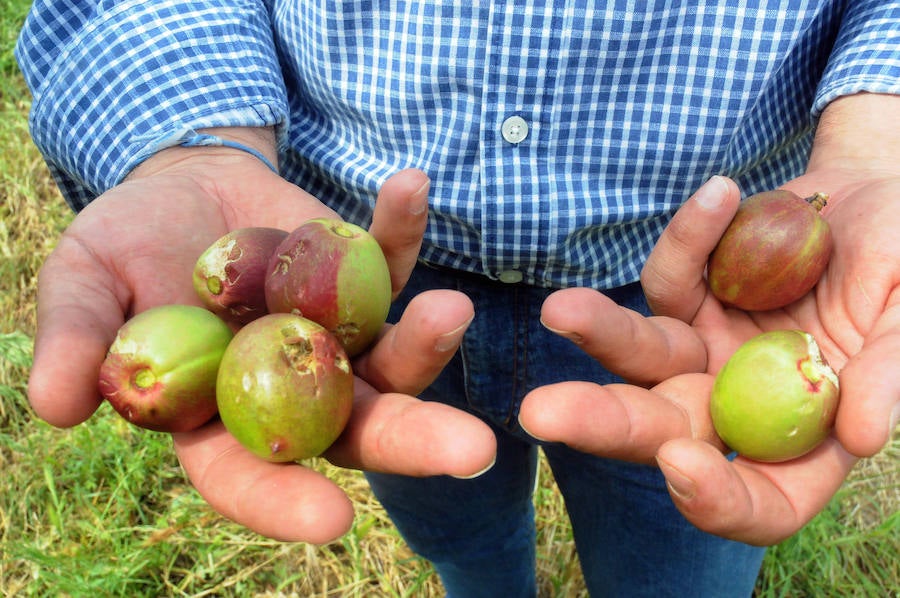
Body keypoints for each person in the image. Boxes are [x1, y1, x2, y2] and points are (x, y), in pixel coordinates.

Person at [15, 1, 899, 596]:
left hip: (687, 306)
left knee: (678, 563)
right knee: (460, 537)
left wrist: (874, 146)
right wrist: (194, 148)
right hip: (383, 291)